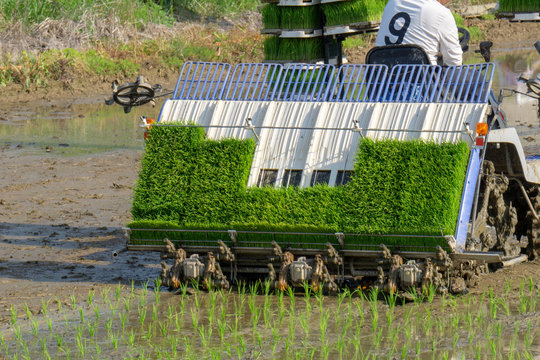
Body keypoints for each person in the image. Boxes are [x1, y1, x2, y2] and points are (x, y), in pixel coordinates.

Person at [375, 0, 463, 66]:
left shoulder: (392, 2)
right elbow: (454, 62)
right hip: (422, 85)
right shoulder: (441, 13)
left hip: (383, 82)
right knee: (474, 80)